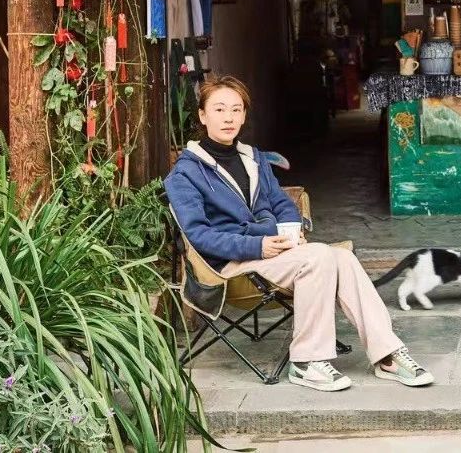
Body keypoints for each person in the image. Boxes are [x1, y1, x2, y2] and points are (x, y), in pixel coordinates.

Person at [166, 74, 434, 392]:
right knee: (320, 256)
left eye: (236, 110)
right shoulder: (186, 173)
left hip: (272, 254)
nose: (229, 118)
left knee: (342, 258)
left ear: (244, 115)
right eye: (219, 109)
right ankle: (306, 362)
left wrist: (291, 232)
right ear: (202, 115)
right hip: (229, 266)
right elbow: (199, 235)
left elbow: (282, 204)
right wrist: (257, 245)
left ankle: (387, 354)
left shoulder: (253, 158)